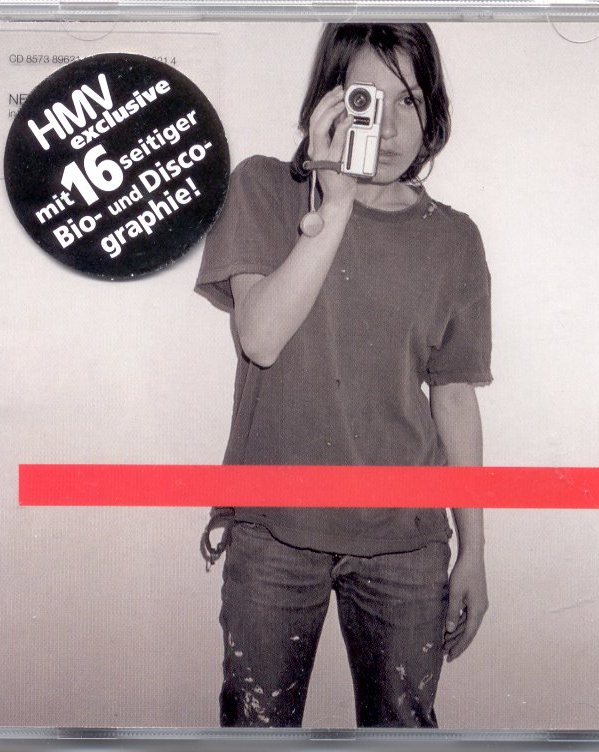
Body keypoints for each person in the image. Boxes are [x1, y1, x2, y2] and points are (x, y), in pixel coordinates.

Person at [195, 22, 492, 728]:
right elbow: (261, 337)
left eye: (409, 100)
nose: (387, 128)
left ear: (434, 109)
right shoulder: (266, 188)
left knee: (403, 732)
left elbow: (453, 400)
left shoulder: (454, 238)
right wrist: (334, 204)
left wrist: (475, 549)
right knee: (255, 731)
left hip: (407, 542)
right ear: (330, 101)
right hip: (274, 530)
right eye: (368, 100)